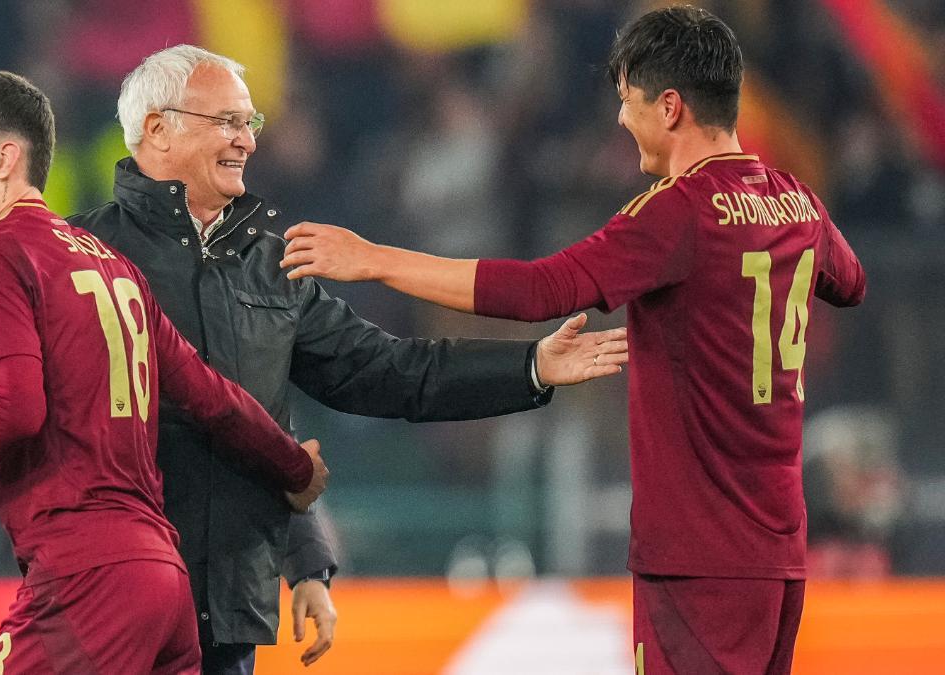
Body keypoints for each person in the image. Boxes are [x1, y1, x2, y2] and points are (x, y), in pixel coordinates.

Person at [0, 45, 628, 675]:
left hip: (229, 621)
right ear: (157, 130)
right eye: (227, 121)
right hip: (98, 608)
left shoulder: (271, 266)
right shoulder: (68, 254)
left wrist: (530, 366)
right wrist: (64, 519)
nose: (248, 137)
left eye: (250, 120)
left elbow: (384, 374)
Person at [279, 6, 866, 674]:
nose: (621, 119)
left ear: (670, 106)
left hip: (696, 560)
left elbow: (535, 289)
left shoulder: (676, 213)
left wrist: (377, 259)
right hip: (780, 552)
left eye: (629, 101)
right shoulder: (798, 201)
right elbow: (850, 282)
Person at [0, 70, 328, 674]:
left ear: (4, 159)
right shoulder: (114, 266)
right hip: (164, 581)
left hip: (86, 577)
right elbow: (213, 396)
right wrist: (296, 466)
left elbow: (13, 407)